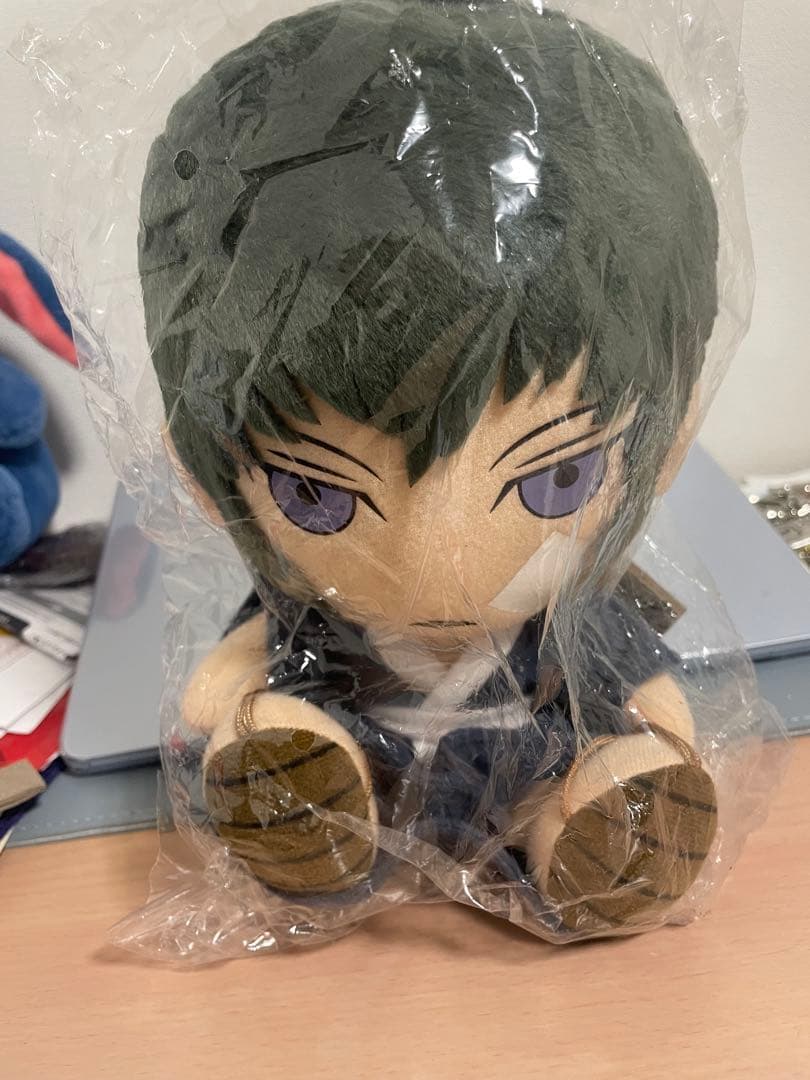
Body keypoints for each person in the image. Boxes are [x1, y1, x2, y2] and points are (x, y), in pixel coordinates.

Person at [139, 1, 720, 936]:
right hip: (361, 781)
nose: (435, 567)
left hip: (530, 782)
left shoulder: (569, 622)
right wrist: (240, 691)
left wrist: (655, 736)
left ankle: (592, 835)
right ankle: (310, 815)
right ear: (207, 470)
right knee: (285, 744)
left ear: (669, 441)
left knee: (592, 785)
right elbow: (223, 686)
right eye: (316, 494)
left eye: (555, 477)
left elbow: (651, 697)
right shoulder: (313, 622)